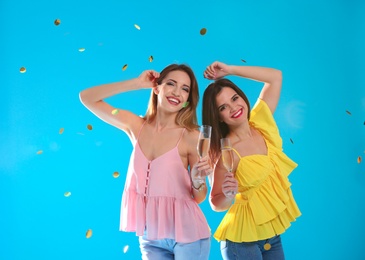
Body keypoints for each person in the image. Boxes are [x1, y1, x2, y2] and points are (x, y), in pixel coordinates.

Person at [79, 64, 211, 259]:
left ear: (187, 100)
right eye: (171, 84)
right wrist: (137, 83)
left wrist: (197, 179)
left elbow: (199, 197)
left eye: (185, 89)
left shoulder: (192, 136)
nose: (177, 92)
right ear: (157, 88)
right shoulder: (136, 126)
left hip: (187, 234)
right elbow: (87, 97)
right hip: (150, 237)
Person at [202, 61, 301, 260]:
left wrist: (230, 70)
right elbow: (215, 202)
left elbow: (275, 76)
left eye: (235, 98)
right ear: (219, 117)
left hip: (271, 237)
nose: (233, 107)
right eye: (223, 107)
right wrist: (229, 195)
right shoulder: (227, 152)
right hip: (241, 243)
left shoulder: (261, 123)